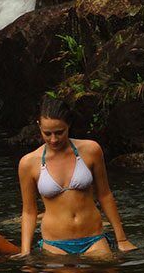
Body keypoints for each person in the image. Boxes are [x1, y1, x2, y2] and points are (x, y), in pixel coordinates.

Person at [18, 97, 136, 256]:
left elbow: (105, 194)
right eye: (47, 133)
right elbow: (29, 211)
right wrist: (25, 251)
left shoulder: (91, 150)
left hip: (93, 238)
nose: (53, 139)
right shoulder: (28, 163)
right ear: (39, 126)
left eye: (60, 132)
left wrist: (121, 239)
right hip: (55, 244)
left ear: (69, 125)